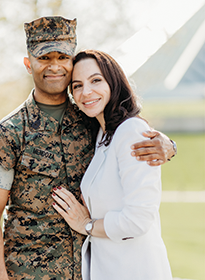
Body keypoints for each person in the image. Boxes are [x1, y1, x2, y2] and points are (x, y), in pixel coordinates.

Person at [0, 17, 176, 280]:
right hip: (31, 274)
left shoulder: (92, 120)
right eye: (44, 58)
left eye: (62, 57)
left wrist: (169, 145)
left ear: (72, 62)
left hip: (93, 270)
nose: (54, 66)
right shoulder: (5, 136)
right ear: (28, 64)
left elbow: (128, 131)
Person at [52, 50, 172, 280]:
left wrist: (86, 225)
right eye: (77, 86)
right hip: (107, 269)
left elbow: (137, 220)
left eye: (96, 80)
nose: (86, 92)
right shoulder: (102, 135)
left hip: (135, 270)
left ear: (114, 82)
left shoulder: (131, 131)